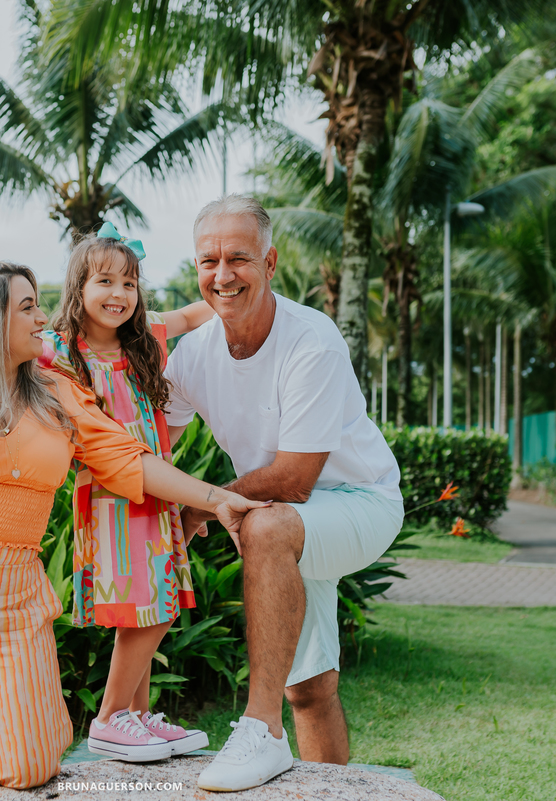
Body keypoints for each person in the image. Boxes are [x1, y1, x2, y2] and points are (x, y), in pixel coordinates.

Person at [0, 262, 265, 801]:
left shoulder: (56, 394)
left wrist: (217, 498)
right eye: (27, 308)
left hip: (14, 592)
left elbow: (128, 459)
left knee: (29, 758)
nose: (43, 316)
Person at [0, 224, 216, 762]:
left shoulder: (145, 339)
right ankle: (108, 719)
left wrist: (235, 291)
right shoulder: (57, 349)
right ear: (77, 287)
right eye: (104, 281)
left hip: (157, 492)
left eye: (129, 284)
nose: (118, 295)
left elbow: (198, 312)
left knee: (153, 602)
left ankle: (134, 714)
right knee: (151, 608)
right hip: (112, 499)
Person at [164, 196, 404, 792]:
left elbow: (295, 477)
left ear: (270, 263)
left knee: (264, 525)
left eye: (239, 259)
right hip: (291, 519)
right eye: (210, 261)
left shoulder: (311, 340)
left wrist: (203, 504)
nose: (224, 275)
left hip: (359, 501)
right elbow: (156, 450)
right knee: (310, 687)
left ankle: (259, 729)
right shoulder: (192, 355)